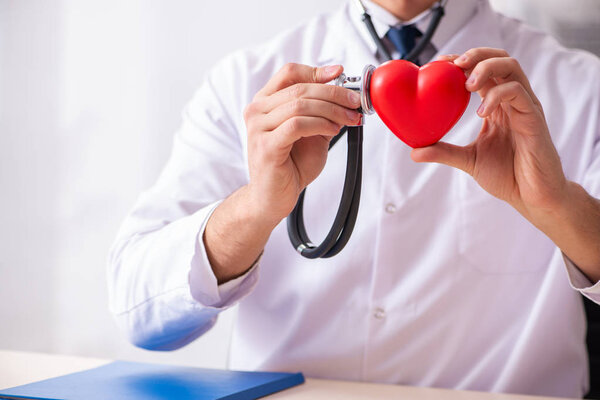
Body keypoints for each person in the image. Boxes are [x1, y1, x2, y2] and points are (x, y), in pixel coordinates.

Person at [107, 0, 600, 397]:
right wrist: (256, 207)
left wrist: (556, 206)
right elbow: (141, 314)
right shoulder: (246, 80)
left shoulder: (583, 87)